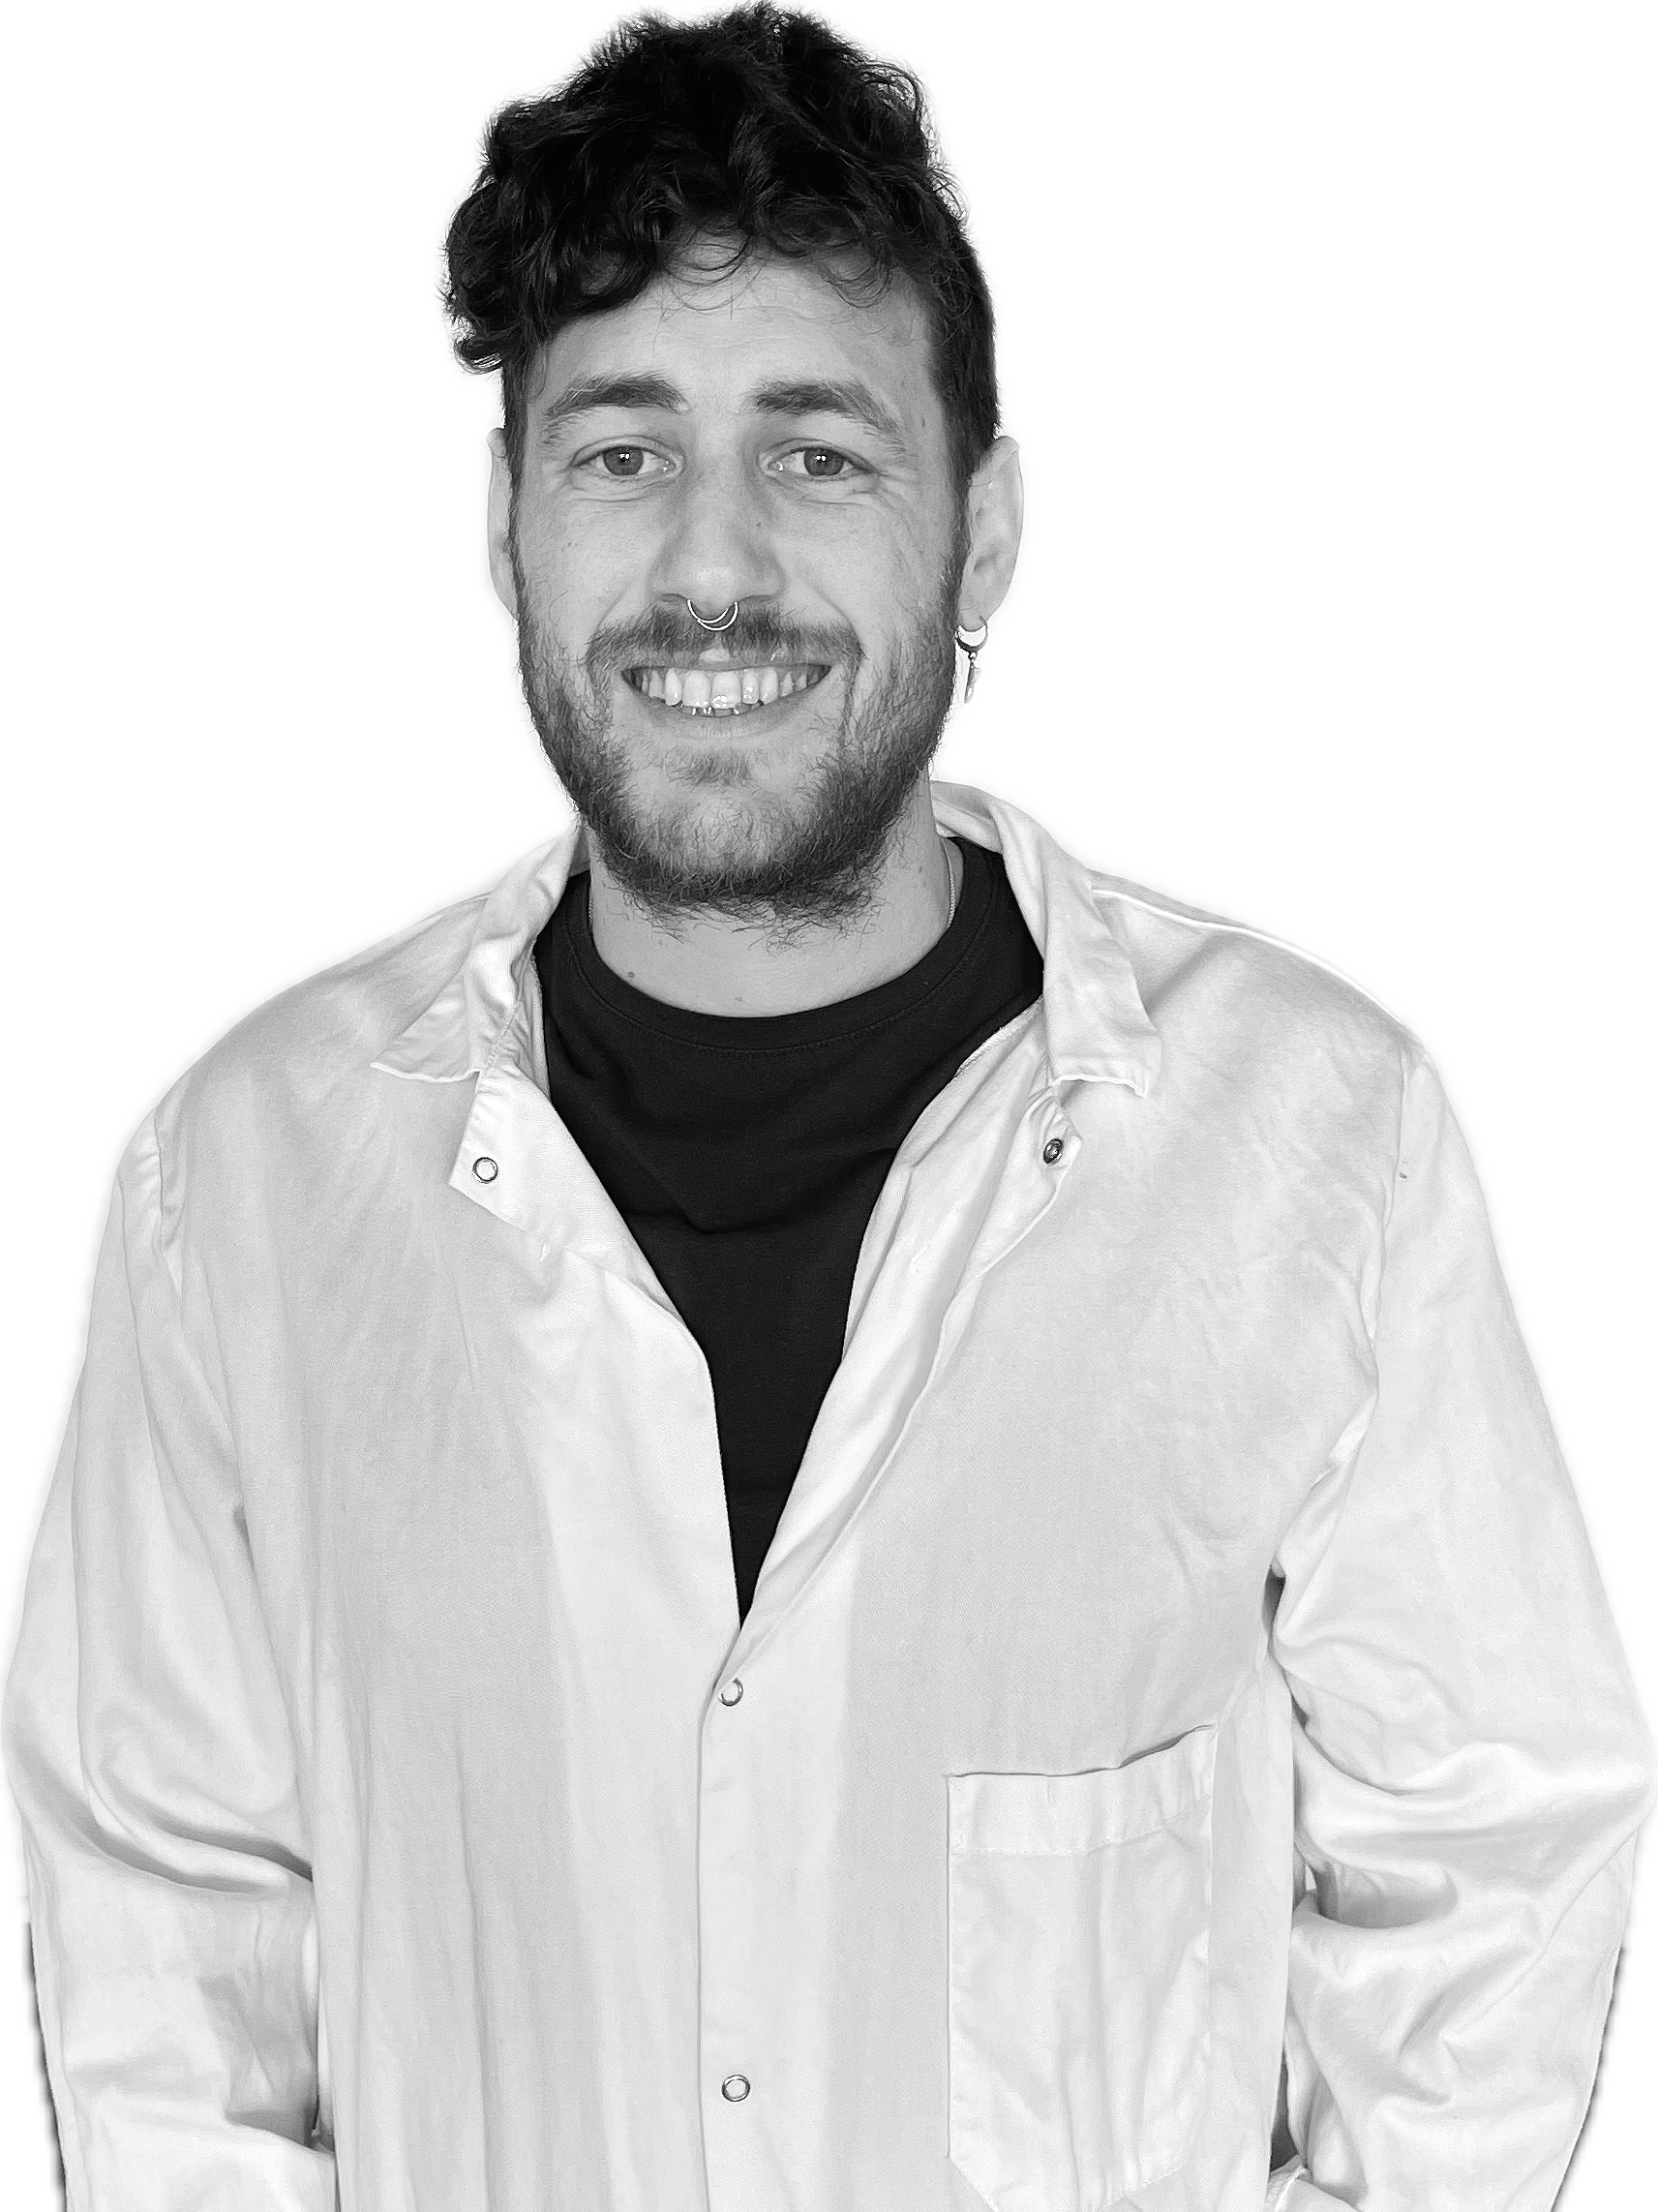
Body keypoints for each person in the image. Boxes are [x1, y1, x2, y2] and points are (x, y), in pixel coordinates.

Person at [3, 4, 1654, 2206]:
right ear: (500, 530)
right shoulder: (244, 1177)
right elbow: (165, 1965)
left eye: (816, 449)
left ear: (989, 533)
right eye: (619, 447)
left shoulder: (1309, 1141)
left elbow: (1485, 1865)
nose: (711, 570)